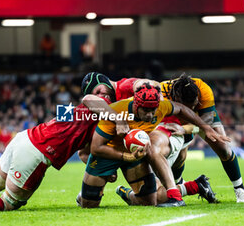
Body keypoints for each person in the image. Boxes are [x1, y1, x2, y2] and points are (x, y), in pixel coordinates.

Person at [0, 90, 126, 213]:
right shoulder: (99, 106)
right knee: (9, 202)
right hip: (37, 152)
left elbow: (83, 153)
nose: (104, 96)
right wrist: (118, 119)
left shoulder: (85, 119)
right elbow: (91, 98)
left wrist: (104, 170)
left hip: (25, 137)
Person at [76, 83, 228, 208]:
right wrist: (125, 156)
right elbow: (96, 148)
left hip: (135, 153)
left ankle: (194, 186)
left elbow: (182, 109)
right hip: (107, 153)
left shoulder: (161, 107)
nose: (150, 114)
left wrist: (206, 127)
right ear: (136, 105)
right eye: (146, 110)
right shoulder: (116, 112)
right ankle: (88, 194)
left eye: (153, 110)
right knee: (89, 205)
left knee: (150, 202)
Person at [160, 74, 244, 203]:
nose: (192, 108)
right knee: (179, 156)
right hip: (175, 117)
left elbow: (207, 120)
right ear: (177, 98)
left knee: (223, 148)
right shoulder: (161, 92)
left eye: (194, 104)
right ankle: (180, 184)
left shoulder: (203, 89)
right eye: (189, 106)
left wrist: (186, 129)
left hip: (202, 117)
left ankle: (240, 190)